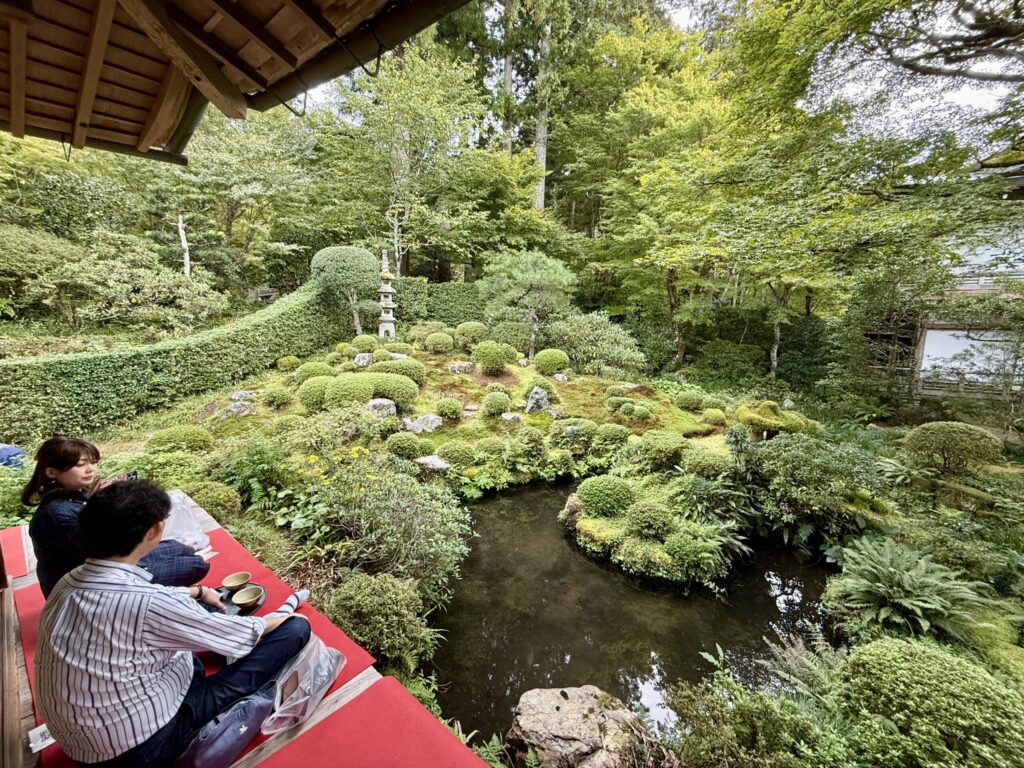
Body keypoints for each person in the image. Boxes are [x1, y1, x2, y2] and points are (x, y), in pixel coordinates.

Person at [36, 480, 311, 767]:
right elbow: (239, 633)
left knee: (192, 625)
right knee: (295, 630)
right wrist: (286, 618)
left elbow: (149, 600)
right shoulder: (149, 602)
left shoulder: (67, 582)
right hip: (141, 749)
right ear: (154, 530)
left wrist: (197, 592)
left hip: (83, 744)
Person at [22, 436, 210, 597]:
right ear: (51, 472)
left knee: (180, 547)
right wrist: (102, 506)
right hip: (90, 585)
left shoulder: (75, 492)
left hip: (104, 562)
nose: (90, 469)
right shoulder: (57, 515)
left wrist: (111, 497)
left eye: (93, 462)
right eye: (80, 465)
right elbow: (103, 553)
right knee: (196, 565)